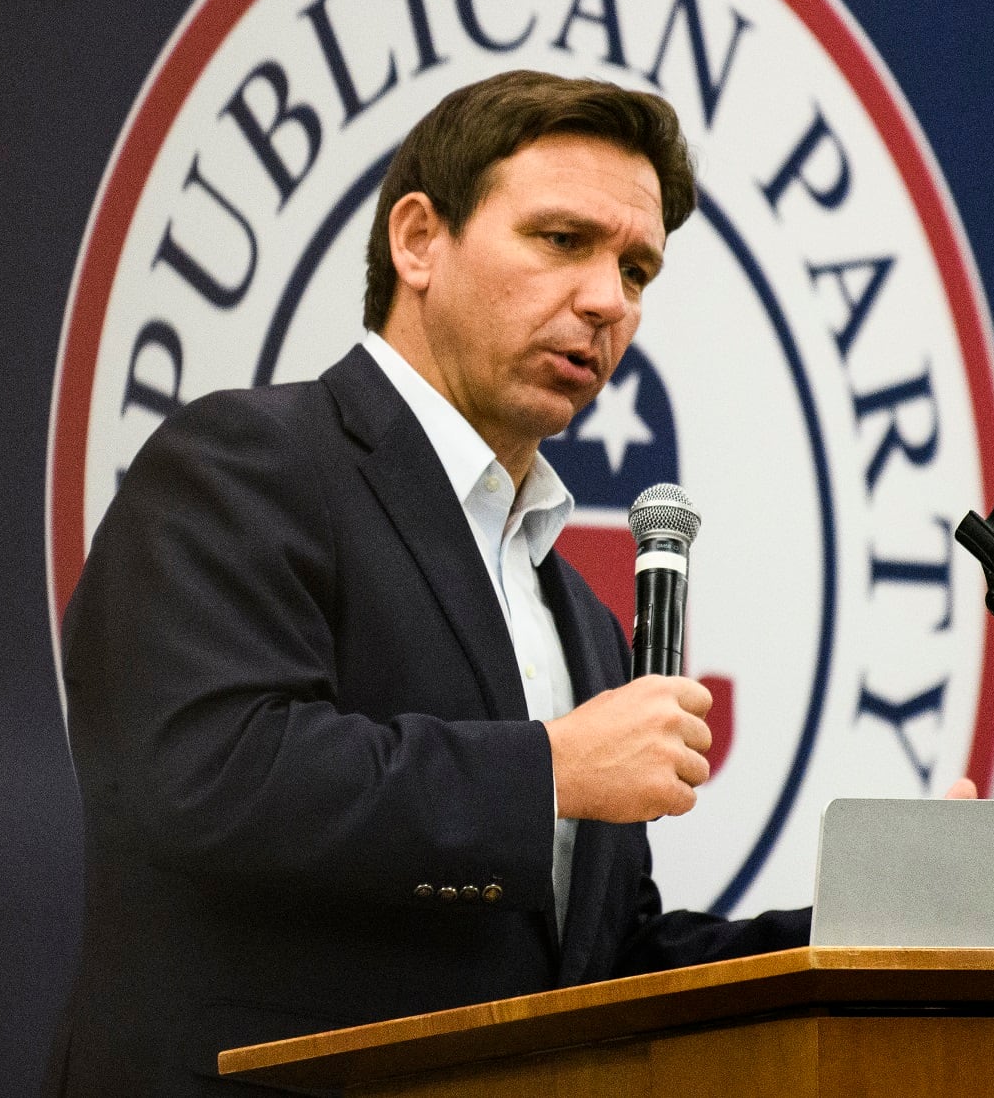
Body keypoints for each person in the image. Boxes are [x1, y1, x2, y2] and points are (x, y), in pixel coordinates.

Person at [53, 71, 822, 1095]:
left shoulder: (579, 618)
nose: (607, 300)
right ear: (417, 239)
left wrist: (867, 932)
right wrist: (548, 770)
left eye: (636, 269)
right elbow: (207, 779)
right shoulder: (243, 464)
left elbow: (599, 963)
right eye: (561, 241)